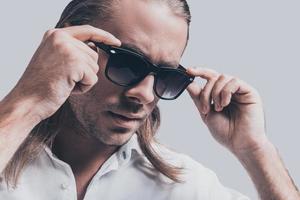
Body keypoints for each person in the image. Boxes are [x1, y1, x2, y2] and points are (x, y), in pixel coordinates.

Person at [0, 0, 299, 199]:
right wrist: (28, 103)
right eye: (127, 63)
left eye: (166, 76)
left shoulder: (182, 184)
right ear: (68, 44)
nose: (144, 94)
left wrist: (255, 150)